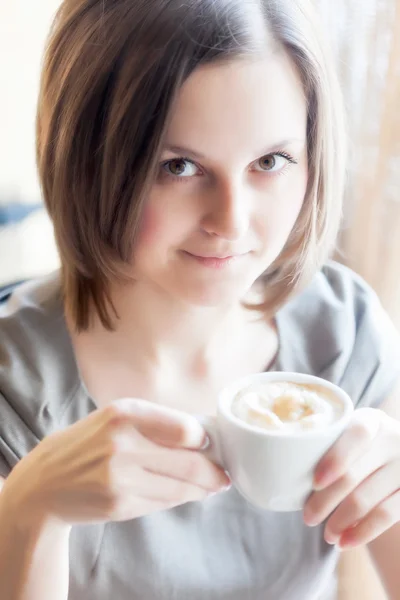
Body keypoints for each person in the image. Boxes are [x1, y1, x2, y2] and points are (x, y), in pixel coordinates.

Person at [0, 0, 400, 598]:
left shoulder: (342, 333)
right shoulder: (15, 384)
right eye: (179, 166)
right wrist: (29, 512)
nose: (232, 221)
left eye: (271, 161)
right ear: (86, 161)